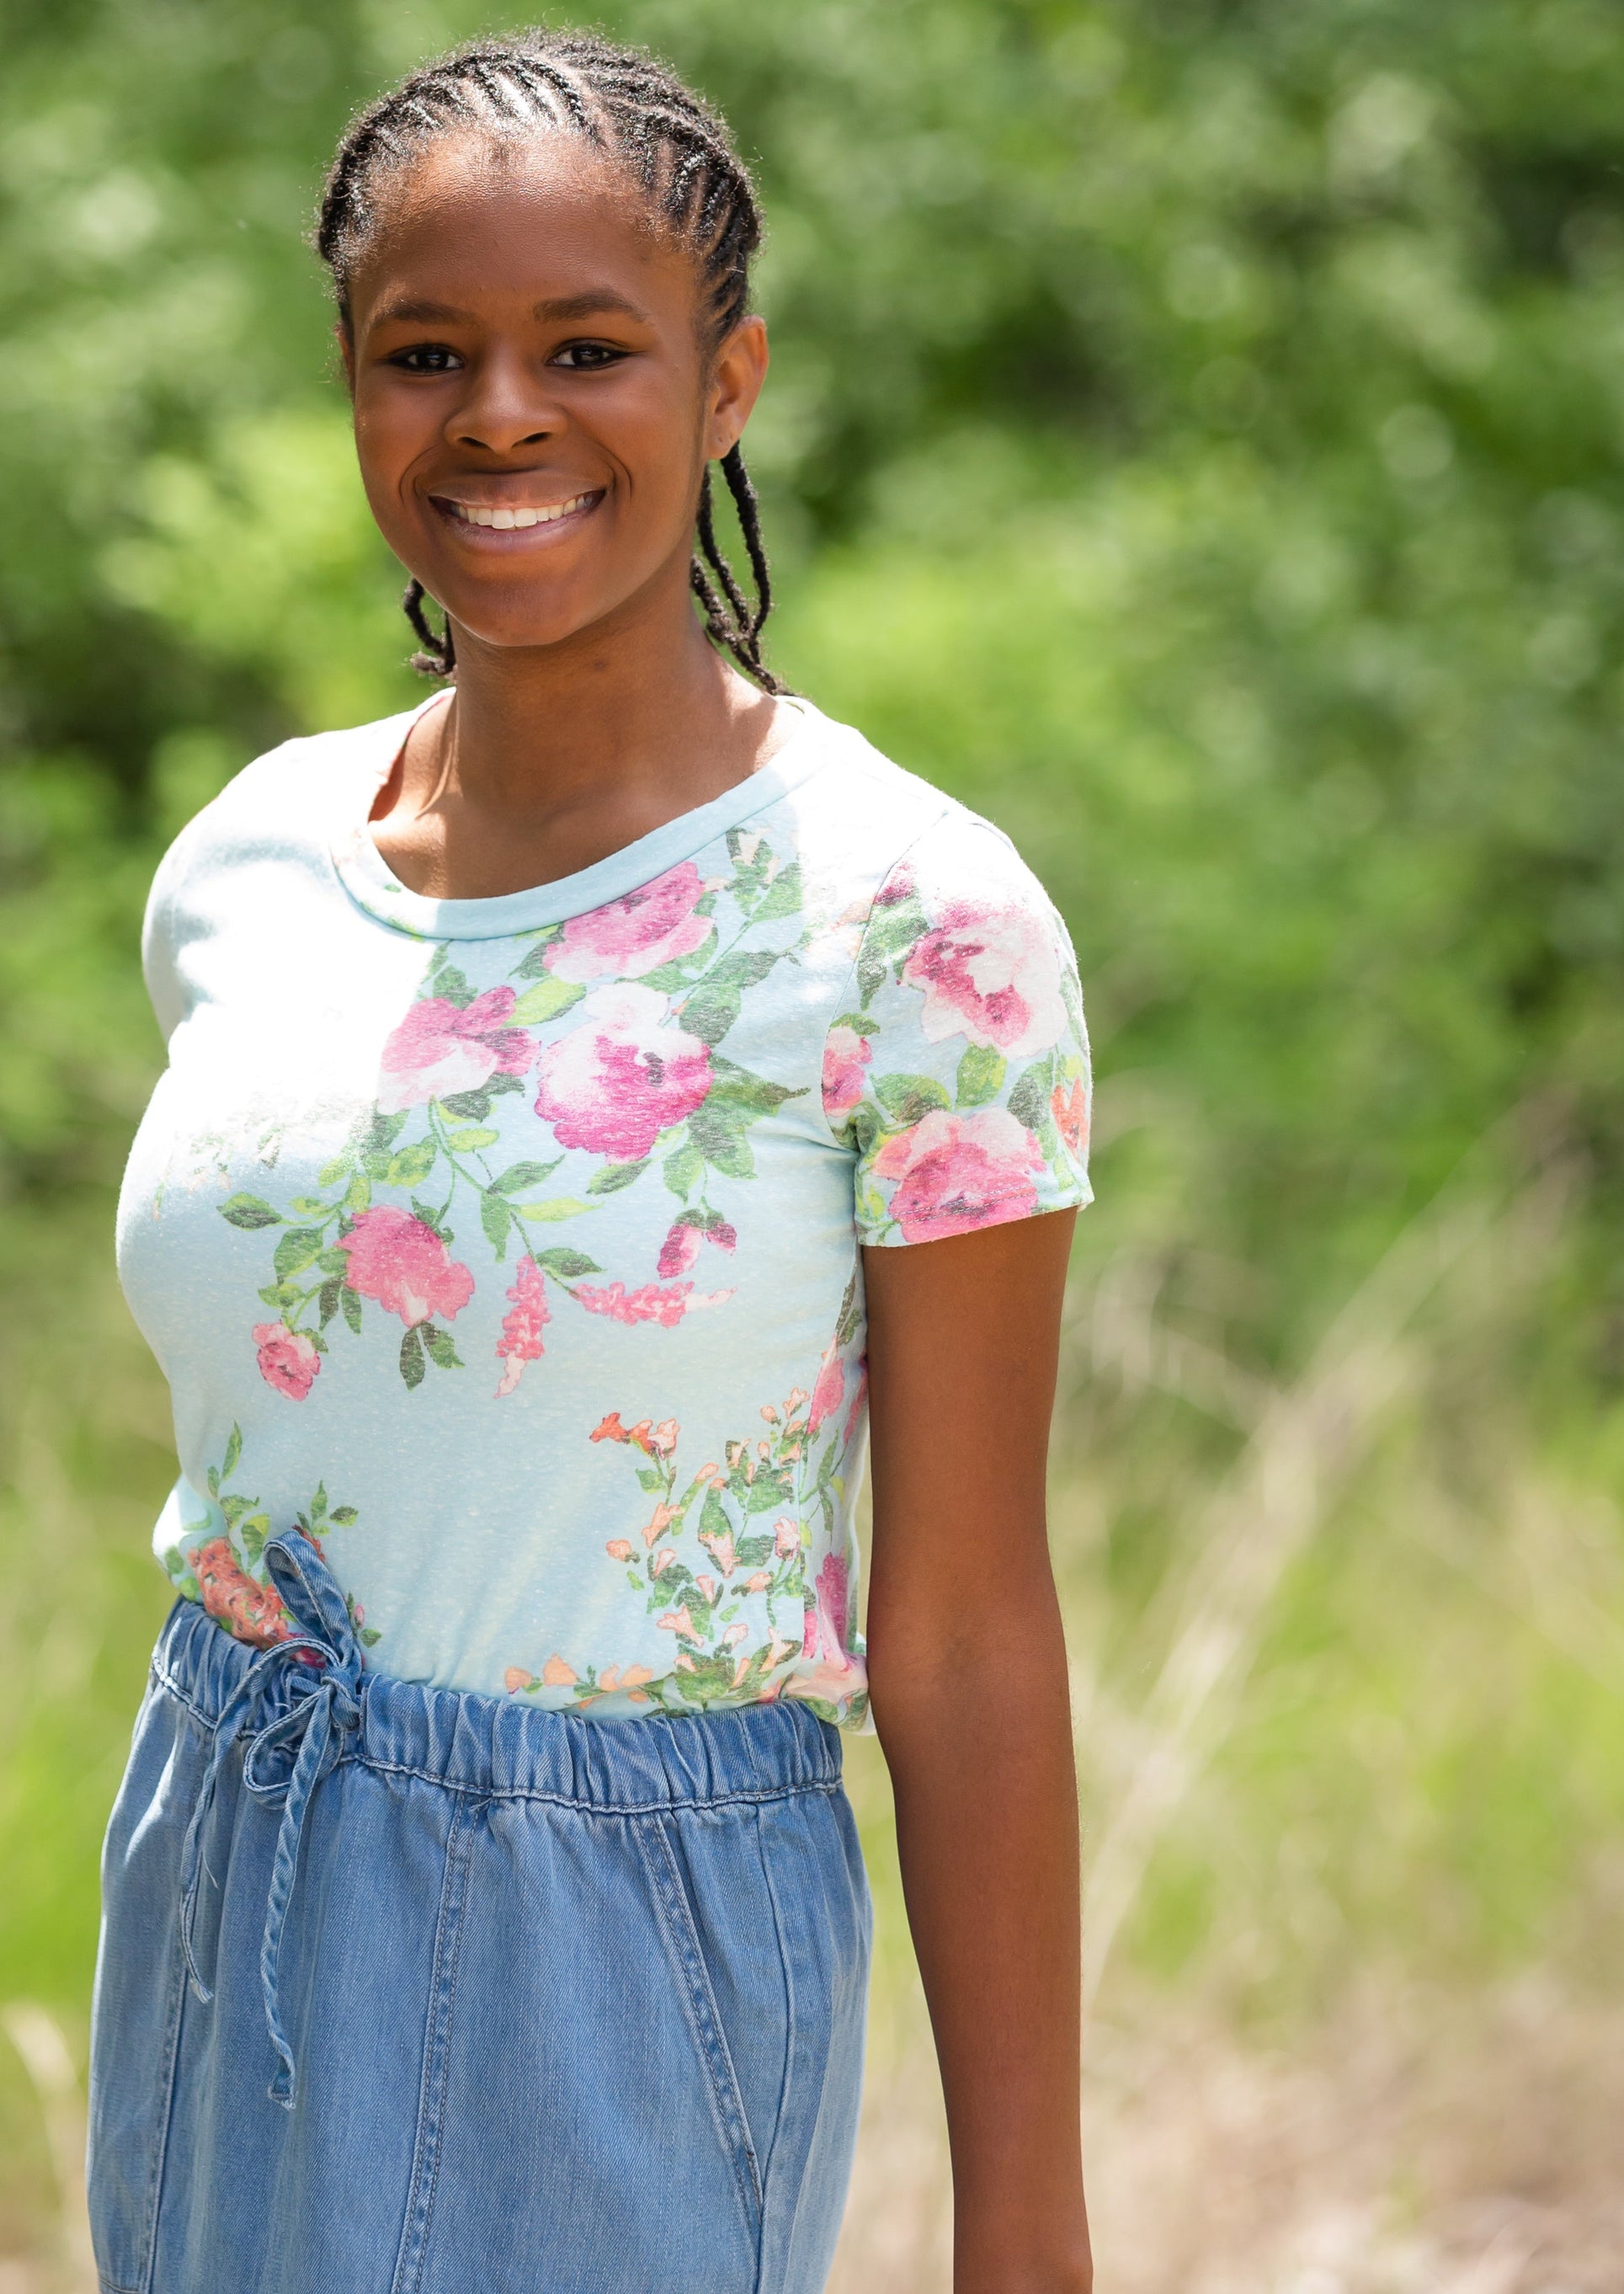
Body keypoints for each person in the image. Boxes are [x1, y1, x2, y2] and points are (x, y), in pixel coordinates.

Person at [87, 29, 1095, 2294]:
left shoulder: (907, 923)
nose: (500, 416)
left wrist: (1024, 2234)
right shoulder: (249, 856)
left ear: (724, 382)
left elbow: (959, 1626)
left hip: (617, 1930)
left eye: (587, 348)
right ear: (352, 387)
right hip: (222, 1845)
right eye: (423, 352)